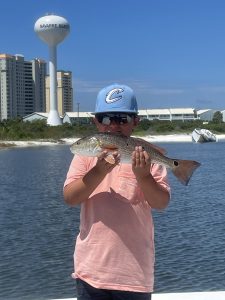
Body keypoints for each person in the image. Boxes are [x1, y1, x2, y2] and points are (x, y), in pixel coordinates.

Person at [63, 83, 171, 300]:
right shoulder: (86, 155)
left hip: (134, 274)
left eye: (122, 118)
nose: (113, 125)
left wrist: (144, 176)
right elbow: (70, 198)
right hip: (90, 272)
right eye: (105, 118)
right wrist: (99, 171)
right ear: (96, 121)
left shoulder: (145, 154)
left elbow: (161, 203)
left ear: (135, 122)